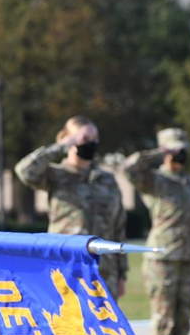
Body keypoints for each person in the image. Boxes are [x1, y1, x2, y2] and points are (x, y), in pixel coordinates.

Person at [124, 128, 190, 335]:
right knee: (164, 316)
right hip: (163, 258)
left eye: (183, 148)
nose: (180, 153)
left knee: (183, 316)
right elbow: (130, 169)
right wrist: (158, 153)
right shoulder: (154, 181)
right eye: (174, 149)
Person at [14, 116, 128, 298]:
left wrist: (122, 273)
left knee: (106, 326)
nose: (91, 143)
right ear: (69, 139)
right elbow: (25, 170)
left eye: (94, 138)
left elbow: (118, 226)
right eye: (84, 139)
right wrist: (60, 147)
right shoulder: (56, 175)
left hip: (104, 271)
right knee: (68, 325)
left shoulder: (107, 180)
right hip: (65, 266)